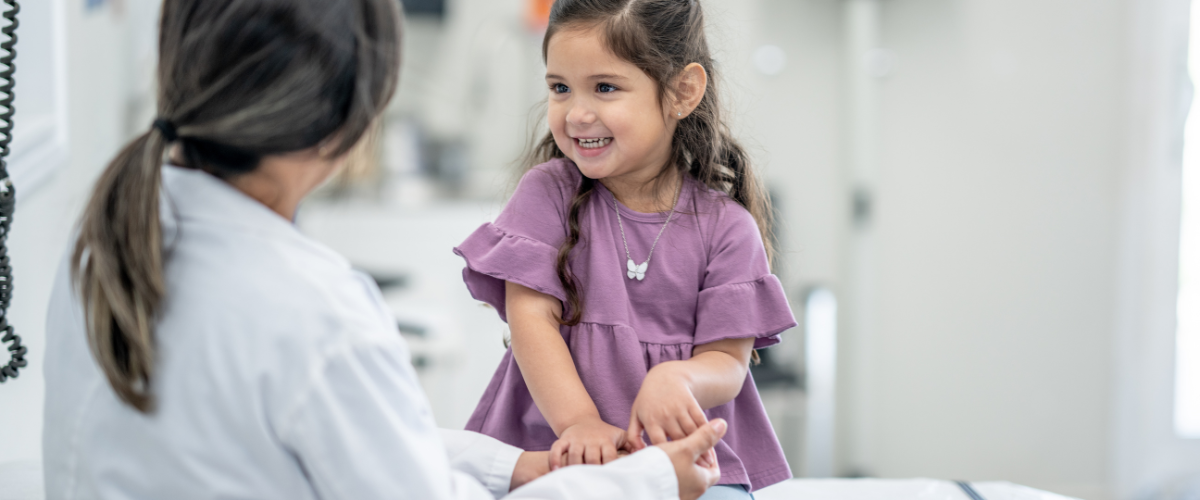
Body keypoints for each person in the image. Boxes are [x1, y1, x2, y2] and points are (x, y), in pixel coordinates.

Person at [40, 1, 727, 499]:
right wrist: (646, 481)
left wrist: (513, 468)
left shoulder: (106, 245)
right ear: (353, 116)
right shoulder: (316, 313)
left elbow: (368, 450)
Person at [452, 0, 798, 498]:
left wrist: (681, 378)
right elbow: (532, 322)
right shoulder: (546, 193)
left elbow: (727, 362)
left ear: (683, 92)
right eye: (559, 88)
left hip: (685, 458)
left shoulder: (727, 228)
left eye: (605, 87)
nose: (577, 112)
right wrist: (580, 424)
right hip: (556, 447)